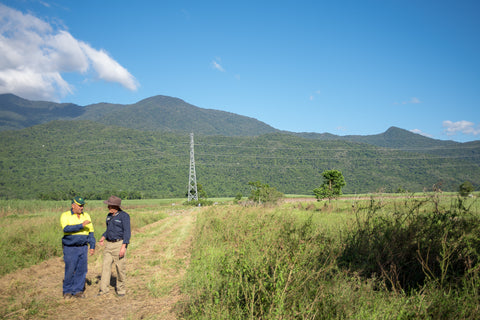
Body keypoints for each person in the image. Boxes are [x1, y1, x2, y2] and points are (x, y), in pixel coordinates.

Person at [60, 196, 95, 299]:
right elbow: (66, 229)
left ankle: (78, 291)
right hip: (70, 248)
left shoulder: (87, 216)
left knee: (82, 270)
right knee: (70, 269)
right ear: (73, 205)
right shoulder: (65, 215)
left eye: (82, 205)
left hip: (83, 247)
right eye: (79, 206)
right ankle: (67, 291)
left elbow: (91, 232)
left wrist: (92, 246)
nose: (81, 208)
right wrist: (81, 225)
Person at [98, 195, 131, 297]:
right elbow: (108, 229)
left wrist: (123, 247)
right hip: (109, 245)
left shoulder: (124, 216)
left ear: (116, 206)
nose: (108, 208)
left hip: (119, 244)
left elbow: (127, 232)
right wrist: (103, 236)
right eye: (108, 206)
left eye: (110, 206)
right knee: (105, 267)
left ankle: (121, 290)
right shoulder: (109, 216)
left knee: (120, 268)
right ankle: (103, 290)